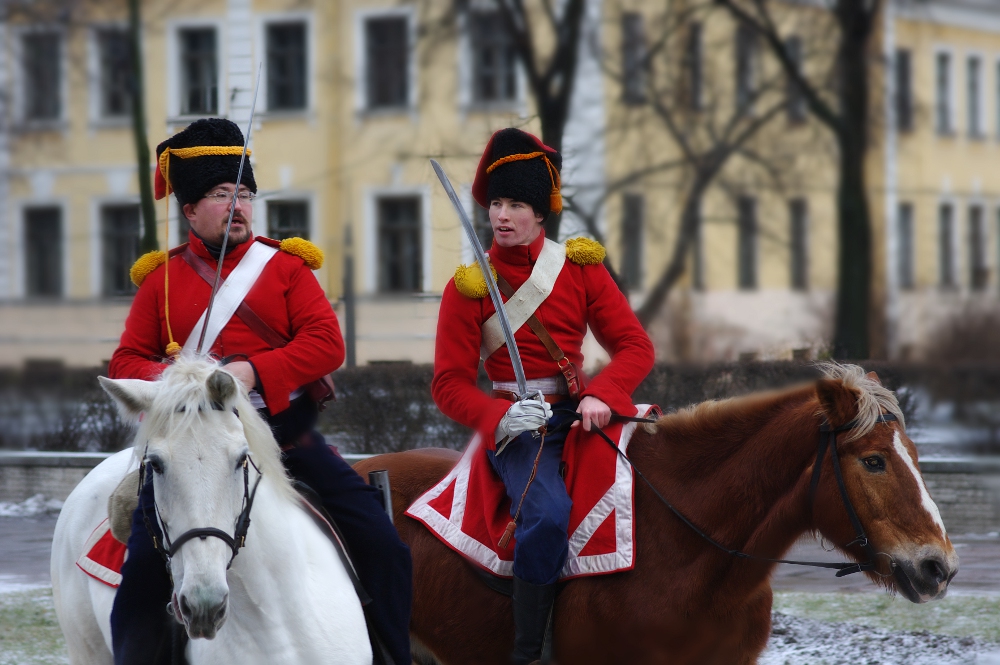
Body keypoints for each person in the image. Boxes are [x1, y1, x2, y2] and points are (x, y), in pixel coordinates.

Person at [107, 118, 412, 665]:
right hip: (194, 446)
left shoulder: (288, 268)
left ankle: (391, 652)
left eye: (244, 194)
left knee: (384, 546)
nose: (237, 205)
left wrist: (251, 372)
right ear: (190, 210)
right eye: (222, 195)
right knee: (139, 584)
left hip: (286, 440)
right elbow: (127, 361)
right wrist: (183, 387)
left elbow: (326, 344)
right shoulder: (163, 280)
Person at [431, 128, 655, 664]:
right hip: (518, 426)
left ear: (540, 214)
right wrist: (499, 418)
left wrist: (604, 392)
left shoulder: (579, 268)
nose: (503, 215)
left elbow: (634, 346)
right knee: (549, 515)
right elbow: (448, 384)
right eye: (497, 203)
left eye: (517, 205)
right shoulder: (470, 288)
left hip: (584, 414)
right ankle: (530, 652)